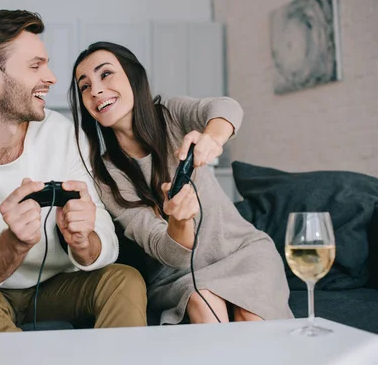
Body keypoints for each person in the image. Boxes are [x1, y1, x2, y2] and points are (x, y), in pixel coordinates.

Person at [0, 12, 147, 333]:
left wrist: (82, 240)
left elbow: (104, 239)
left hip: (58, 286)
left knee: (124, 281)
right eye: (35, 66)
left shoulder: (64, 134)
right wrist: (14, 241)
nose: (51, 77)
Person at [68, 41, 293, 325]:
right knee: (202, 301)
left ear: (133, 77)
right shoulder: (106, 175)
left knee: (250, 317)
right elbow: (168, 253)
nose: (96, 90)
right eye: (84, 86)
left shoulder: (171, 114)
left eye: (106, 74)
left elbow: (226, 107)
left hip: (243, 252)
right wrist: (180, 222)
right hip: (180, 275)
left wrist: (212, 138)